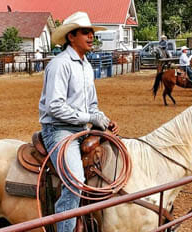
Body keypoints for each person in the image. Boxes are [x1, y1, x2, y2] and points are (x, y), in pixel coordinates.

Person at [38, 11, 119, 232]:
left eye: (92, 32)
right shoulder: (60, 64)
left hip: (80, 128)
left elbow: (91, 105)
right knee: (75, 182)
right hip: (58, 130)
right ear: (71, 36)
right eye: (86, 32)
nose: (91, 36)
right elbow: (55, 107)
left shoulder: (85, 66)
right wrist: (90, 118)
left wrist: (102, 119)